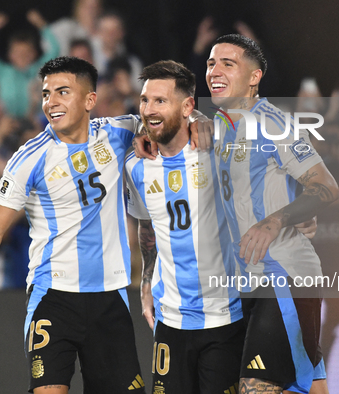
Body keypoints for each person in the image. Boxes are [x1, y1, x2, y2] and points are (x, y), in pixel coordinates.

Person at [0, 56, 148, 393]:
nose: (50, 102)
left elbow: (165, 119)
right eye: (45, 94)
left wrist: (197, 122)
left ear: (89, 100)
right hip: (53, 298)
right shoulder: (29, 158)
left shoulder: (119, 132)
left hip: (109, 296)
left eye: (62, 92)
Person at [206, 34, 339, 394]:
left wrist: (275, 220)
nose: (214, 71)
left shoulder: (274, 123)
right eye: (210, 63)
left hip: (282, 273)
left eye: (227, 64)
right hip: (244, 280)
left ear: (255, 77)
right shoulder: (217, 128)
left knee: (255, 386)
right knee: (306, 384)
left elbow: (326, 186)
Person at [125, 60, 244, 394]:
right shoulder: (135, 166)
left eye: (160, 100)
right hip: (170, 321)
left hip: (223, 317)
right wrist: (147, 280)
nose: (148, 109)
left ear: (188, 105)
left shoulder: (217, 147)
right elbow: (147, 227)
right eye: (145, 100)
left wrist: (201, 119)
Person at [0, 10, 60, 118]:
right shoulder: (3, 72)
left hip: (35, 123)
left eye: (26, 53)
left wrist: (42, 25)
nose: (22, 57)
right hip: (7, 124)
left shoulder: (39, 69)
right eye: (18, 53)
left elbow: (55, 49)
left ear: (34, 54)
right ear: (10, 55)